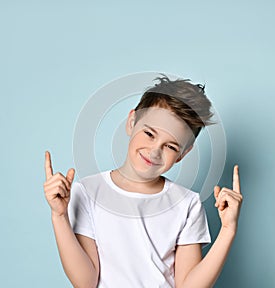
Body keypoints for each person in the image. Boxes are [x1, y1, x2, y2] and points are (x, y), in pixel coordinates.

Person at [43, 75, 243, 288]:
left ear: (183, 154)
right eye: (149, 133)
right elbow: (85, 282)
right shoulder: (88, 191)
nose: (155, 151)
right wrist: (59, 216)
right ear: (132, 122)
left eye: (171, 146)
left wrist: (228, 230)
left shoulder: (187, 204)